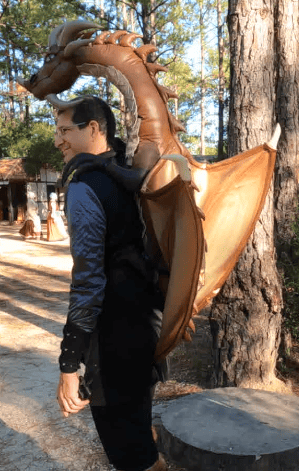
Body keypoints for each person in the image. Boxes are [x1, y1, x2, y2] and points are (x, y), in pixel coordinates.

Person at [55, 96, 168, 471]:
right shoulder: (131, 173)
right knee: (140, 441)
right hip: (145, 326)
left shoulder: (84, 185)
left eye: (64, 131)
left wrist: (69, 364)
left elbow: (88, 282)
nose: (58, 141)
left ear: (92, 129)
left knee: (130, 454)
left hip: (114, 341)